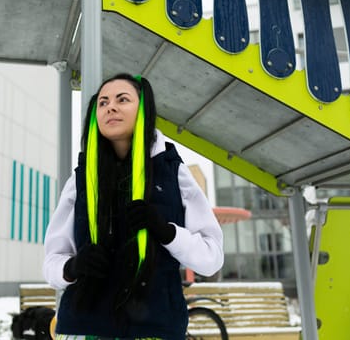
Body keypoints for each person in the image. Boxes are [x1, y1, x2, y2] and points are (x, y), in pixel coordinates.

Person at [43, 73, 223, 339]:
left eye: (122, 99)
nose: (110, 107)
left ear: (143, 108)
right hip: (86, 329)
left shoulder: (173, 172)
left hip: (155, 328)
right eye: (102, 103)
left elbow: (212, 258)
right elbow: (51, 263)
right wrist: (73, 266)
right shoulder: (80, 179)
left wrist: (167, 233)